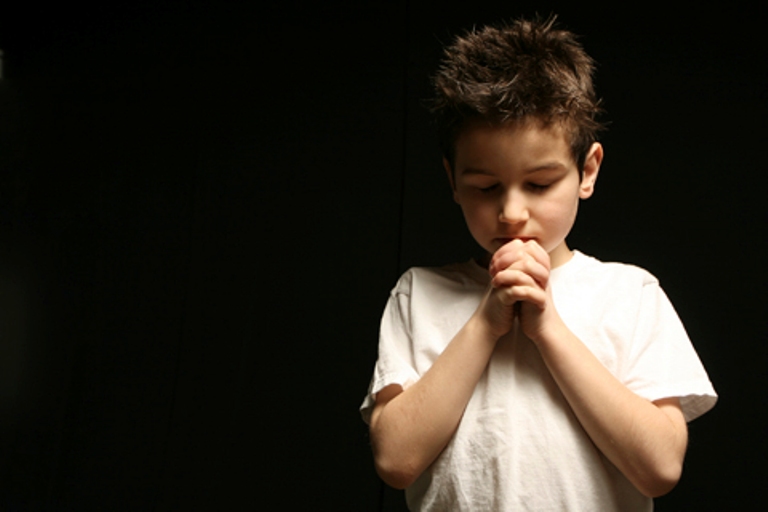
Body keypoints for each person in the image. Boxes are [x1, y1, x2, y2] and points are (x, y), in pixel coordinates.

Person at [359, 15, 717, 511]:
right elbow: (395, 460)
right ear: (453, 179)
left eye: (539, 184)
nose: (511, 212)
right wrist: (486, 321)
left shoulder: (630, 294)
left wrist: (548, 327)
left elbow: (660, 468)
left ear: (587, 170)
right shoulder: (419, 293)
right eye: (486, 187)